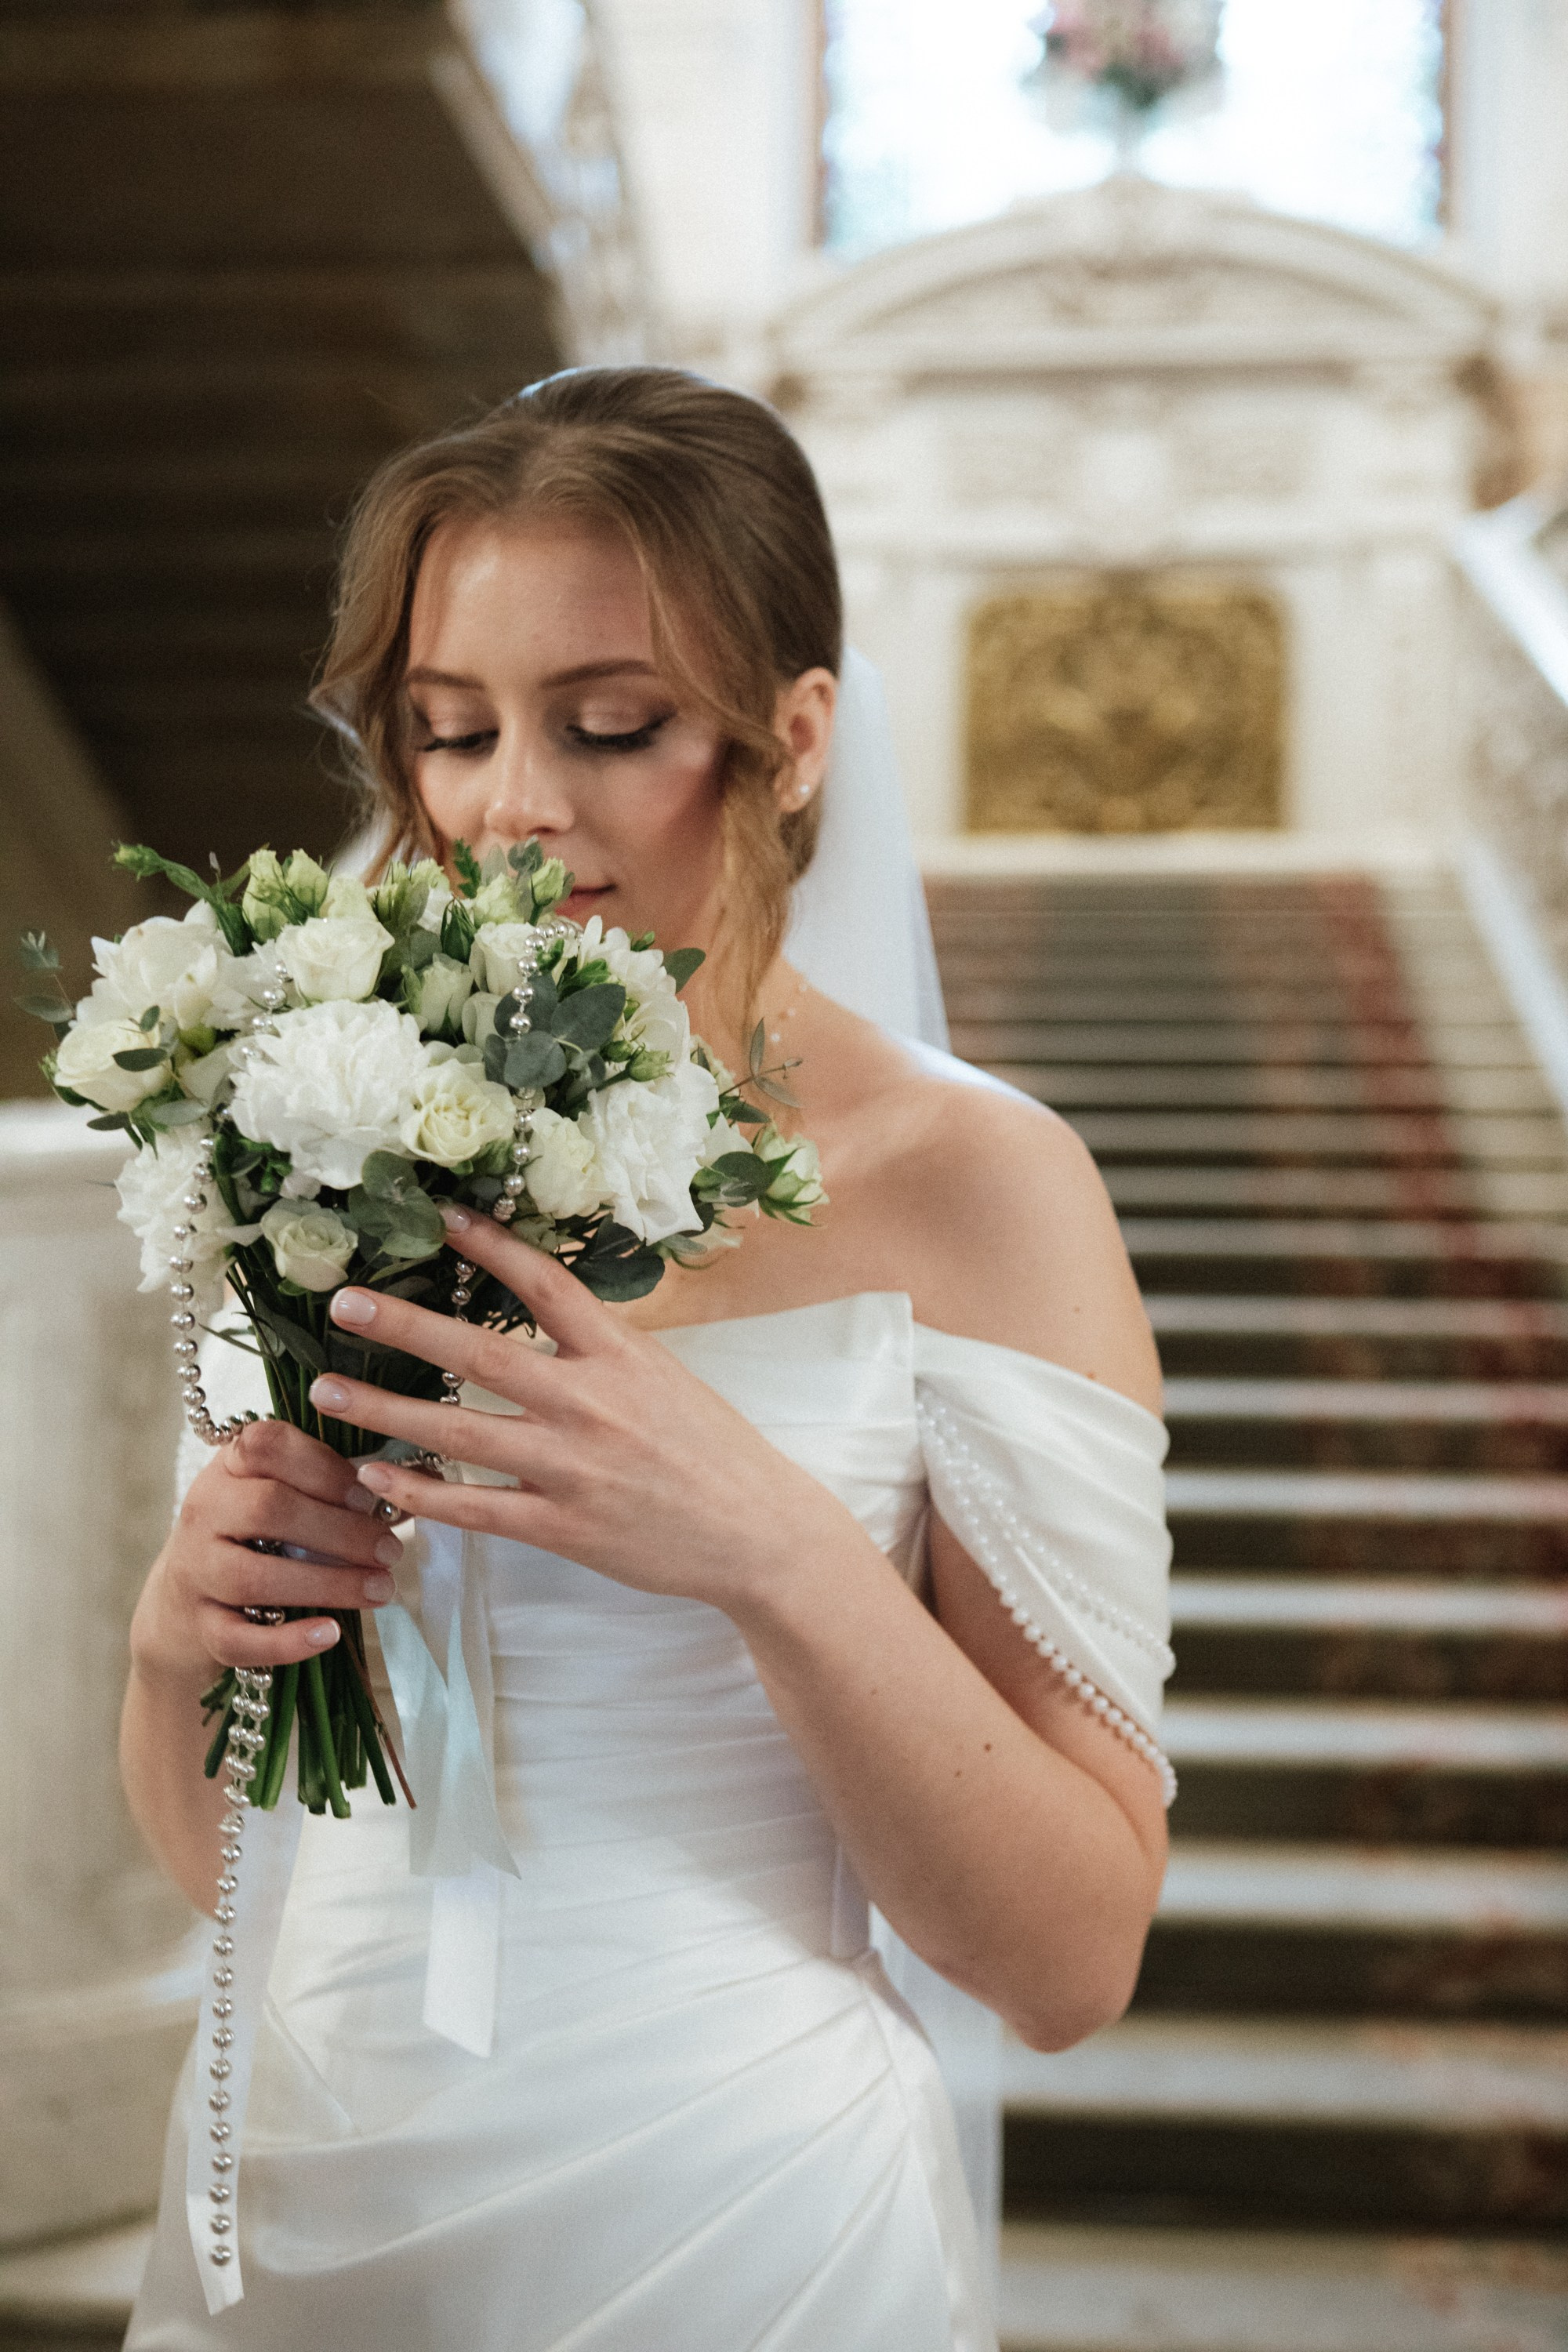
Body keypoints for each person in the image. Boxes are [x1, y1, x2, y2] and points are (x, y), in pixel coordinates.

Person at [122, 365, 1172, 2352]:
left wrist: (769, 1551)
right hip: (288, 2198)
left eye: (611, 726)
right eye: (452, 729)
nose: (513, 803)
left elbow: (1067, 1959)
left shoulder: (973, 1187)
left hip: (729, 2217)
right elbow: (223, 1860)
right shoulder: (325, 1135)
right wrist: (190, 1637)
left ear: (789, 742)